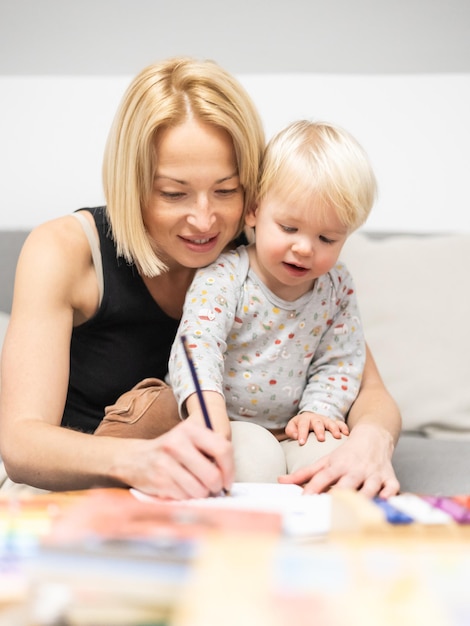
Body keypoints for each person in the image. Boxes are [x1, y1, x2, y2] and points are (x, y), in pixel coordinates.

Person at [0, 57, 401, 500]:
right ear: (131, 185)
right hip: (76, 487)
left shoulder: (266, 251)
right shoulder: (65, 251)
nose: (206, 220)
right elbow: (21, 443)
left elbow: (369, 389)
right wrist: (140, 460)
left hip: (199, 495)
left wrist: (372, 442)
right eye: (174, 193)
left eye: (226, 190)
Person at [169, 120, 377, 482]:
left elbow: (341, 359)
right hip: (227, 420)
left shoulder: (336, 286)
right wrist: (208, 409)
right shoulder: (225, 275)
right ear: (254, 211)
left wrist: (320, 410)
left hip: (297, 424)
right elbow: (197, 345)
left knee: (332, 463)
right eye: (289, 228)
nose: (305, 248)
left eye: (327, 238)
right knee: (250, 464)